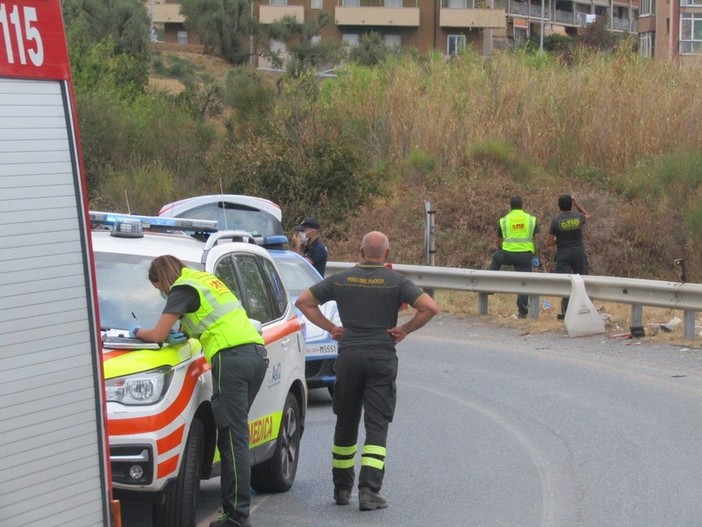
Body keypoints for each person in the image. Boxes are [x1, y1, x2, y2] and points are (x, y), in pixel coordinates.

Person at [295, 231, 439, 512]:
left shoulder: (341, 279)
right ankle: (369, 492)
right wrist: (404, 329)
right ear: (387, 253)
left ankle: (341, 489)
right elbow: (429, 307)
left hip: (349, 356)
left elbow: (304, 302)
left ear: (360, 252)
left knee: (346, 420)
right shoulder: (396, 281)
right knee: (377, 424)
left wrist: (331, 328)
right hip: (381, 357)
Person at [130, 255, 267, 527]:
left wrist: (137, 330)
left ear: (163, 278)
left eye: (158, 287)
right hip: (255, 355)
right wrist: (184, 333)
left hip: (231, 360)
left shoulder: (182, 288)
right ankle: (237, 513)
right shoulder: (205, 281)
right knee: (234, 435)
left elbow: (156, 335)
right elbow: (211, 320)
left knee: (232, 439)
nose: (161, 293)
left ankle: (237, 517)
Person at [488, 196, 540, 318]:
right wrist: (536, 255)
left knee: (496, 259)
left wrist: (501, 248)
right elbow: (537, 239)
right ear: (522, 205)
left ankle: (489, 285)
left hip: (507, 253)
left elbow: (498, 241)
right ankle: (522, 312)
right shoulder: (531, 219)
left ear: (510, 206)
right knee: (523, 282)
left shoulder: (504, 220)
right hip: (525, 255)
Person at [546, 194, 591, 318]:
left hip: (563, 255)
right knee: (583, 282)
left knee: (565, 285)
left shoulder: (556, 221)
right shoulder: (578, 218)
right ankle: (585, 310)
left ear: (559, 206)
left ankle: (565, 313)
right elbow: (588, 216)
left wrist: (558, 240)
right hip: (578, 255)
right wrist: (577, 205)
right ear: (571, 205)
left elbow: (549, 243)